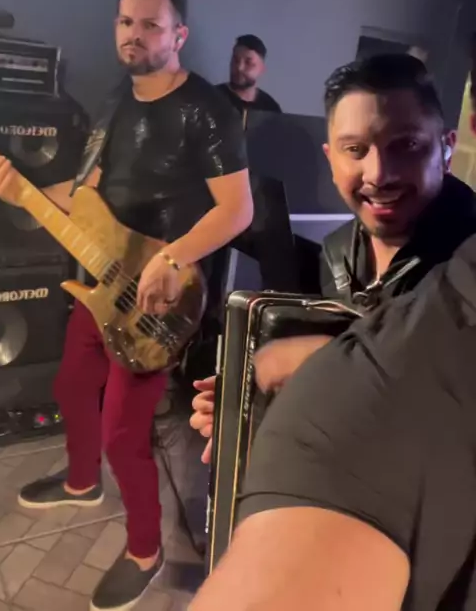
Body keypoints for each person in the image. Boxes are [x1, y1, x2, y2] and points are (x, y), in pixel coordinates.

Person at [0, 0, 253, 611]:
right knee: (71, 388)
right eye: (125, 21)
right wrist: (21, 191)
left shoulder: (206, 108)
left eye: (150, 25)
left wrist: (172, 255)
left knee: (123, 434)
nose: (133, 35)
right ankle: (82, 483)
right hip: (100, 280)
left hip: (159, 300)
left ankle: (145, 550)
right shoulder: (116, 99)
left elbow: (238, 210)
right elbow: (86, 193)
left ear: (179, 34)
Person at [188, 63, 476, 611]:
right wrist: (246, 409)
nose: (378, 173)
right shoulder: (337, 252)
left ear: (445, 147)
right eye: (355, 149)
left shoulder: (466, 267)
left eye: (406, 146)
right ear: (330, 156)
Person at [217, 35, 282, 117]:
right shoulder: (212, 97)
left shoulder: (271, 109)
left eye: (248, 63)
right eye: (236, 60)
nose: (239, 68)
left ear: (261, 69)